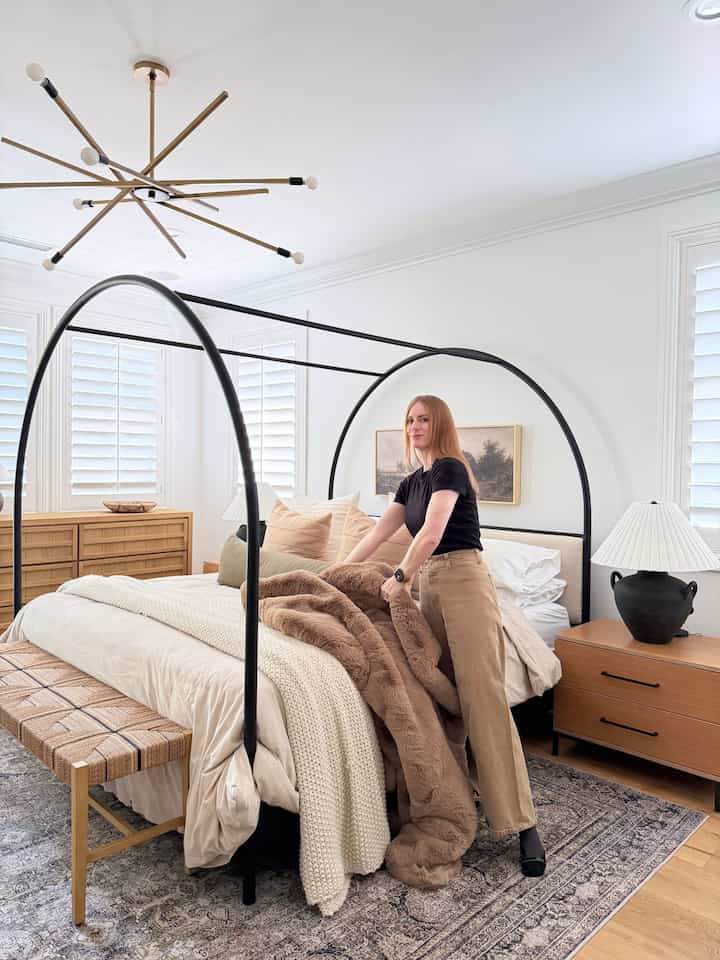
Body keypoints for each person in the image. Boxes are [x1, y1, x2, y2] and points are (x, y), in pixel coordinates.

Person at [344, 394, 546, 877]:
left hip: (464, 582)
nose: (415, 426)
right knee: (439, 696)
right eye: (410, 419)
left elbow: (432, 533)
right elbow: (376, 533)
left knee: (483, 699)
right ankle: (458, 802)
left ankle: (523, 824)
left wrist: (398, 577)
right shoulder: (409, 482)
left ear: (441, 425)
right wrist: (334, 572)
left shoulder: (451, 469)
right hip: (430, 585)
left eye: (424, 419)